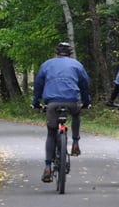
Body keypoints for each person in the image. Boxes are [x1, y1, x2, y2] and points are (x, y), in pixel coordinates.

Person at [32, 42, 92, 183]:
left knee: (51, 133)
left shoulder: (46, 64)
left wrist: (36, 102)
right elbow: (84, 85)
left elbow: (38, 84)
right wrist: (86, 101)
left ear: (56, 53)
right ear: (70, 53)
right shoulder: (77, 65)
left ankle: (47, 167)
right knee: (76, 115)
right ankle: (76, 142)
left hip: (52, 103)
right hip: (72, 101)